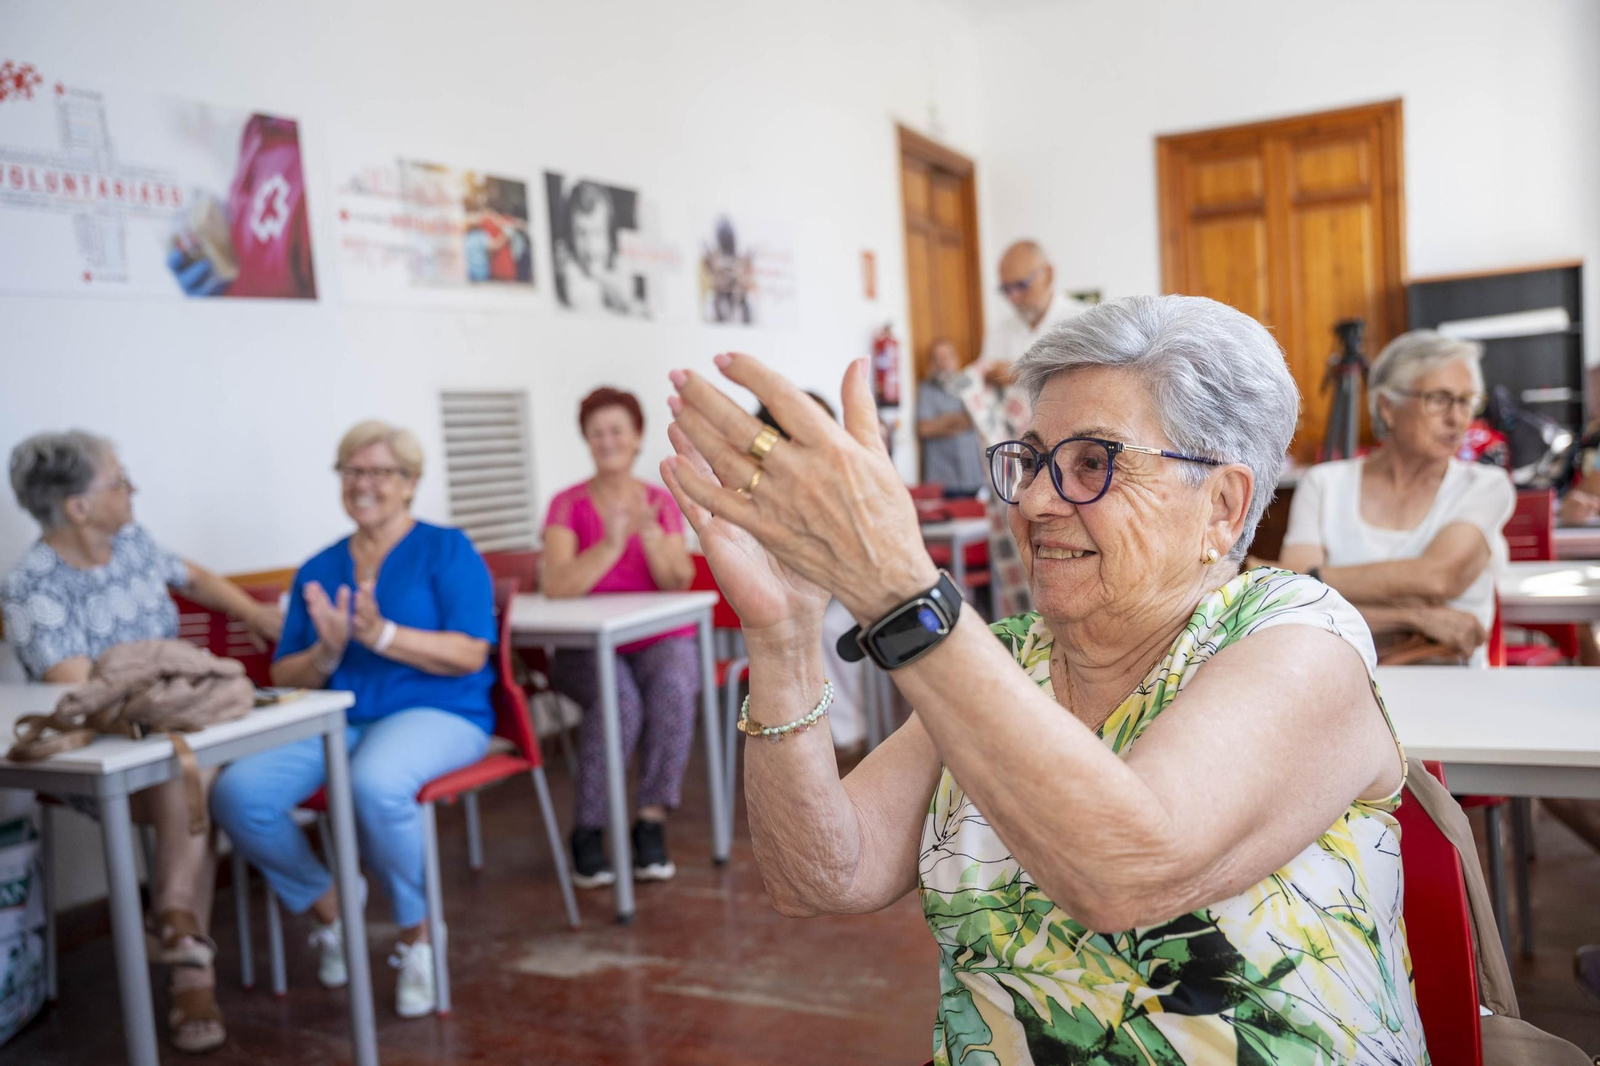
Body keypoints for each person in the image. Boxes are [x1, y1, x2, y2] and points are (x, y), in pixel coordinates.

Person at [661, 295, 1427, 1064]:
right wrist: (785, 635)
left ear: (1222, 508)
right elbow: (824, 875)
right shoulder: (1011, 660)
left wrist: (900, 590)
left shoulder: (1299, 639)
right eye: (1030, 460)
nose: (1032, 501)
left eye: (1092, 463)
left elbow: (1125, 875)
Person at [2, 430, 284, 1054]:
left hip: (173, 740)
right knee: (193, 777)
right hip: (101, 756)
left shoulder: (132, 543)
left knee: (192, 772)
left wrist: (255, 615)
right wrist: (172, 689)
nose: (132, 489)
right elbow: (82, 688)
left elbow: (197, 577)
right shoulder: (32, 585)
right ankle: (189, 969)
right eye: (118, 480)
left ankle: (176, 925)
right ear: (77, 506)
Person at [210, 421, 496, 1019]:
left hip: (441, 711)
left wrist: (383, 635)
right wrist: (327, 652)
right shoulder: (319, 566)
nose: (363, 483)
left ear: (410, 483)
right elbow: (284, 675)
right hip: (339, 718)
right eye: (352, 471)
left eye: (379, 472)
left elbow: (472, 651)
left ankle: (417, 934)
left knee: (375, 783)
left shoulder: (448, 549)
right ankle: (333, 908)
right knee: (239, 792)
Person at [1274, 331, 1513, 666]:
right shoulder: (1323, 484)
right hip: (1338, 681)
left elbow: (1436, 577)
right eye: (1439, 399)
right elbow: (1294, 601)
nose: (1456, 418)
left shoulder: (1485, 486)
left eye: (1465, 401)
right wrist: (1415, 618)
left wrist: (1316, 578)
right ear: (1387, 407)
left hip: (1457, 692)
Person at [542, 387, 697, 888]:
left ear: (636, 440)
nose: (607, 441)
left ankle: (650, 820)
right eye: (597, 433)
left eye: (617, 431)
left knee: (675, 686)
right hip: (585, 647)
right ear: (586, 440)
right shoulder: (566, 505)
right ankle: (588, 828)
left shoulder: (658, 502)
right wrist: (610, 546)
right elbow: (556, 585)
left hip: (656, 640)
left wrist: (649, 539)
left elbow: (677, 580)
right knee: (620, 704)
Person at [962, 240, 1091, 615]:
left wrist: (1017, 372)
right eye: (1006, 289)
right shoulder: (1000, 331)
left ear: (1048, 275)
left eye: (1022, 285)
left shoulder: (1082, 320)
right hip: (1020, 460)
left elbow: (1088, 383)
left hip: (1069, 460)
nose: (1015, 297)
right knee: (1024, 553)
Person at [915, 338, 984, 496]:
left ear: (956, 359)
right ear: (931, 363)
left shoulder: (969, 386)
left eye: (947, 357)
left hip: (973, 477)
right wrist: (961, 420)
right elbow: (924, 429)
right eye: (937, 358)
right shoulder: (926, 390)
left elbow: (976, 420)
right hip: (942, 481)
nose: (943, 363)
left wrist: (942, 421)